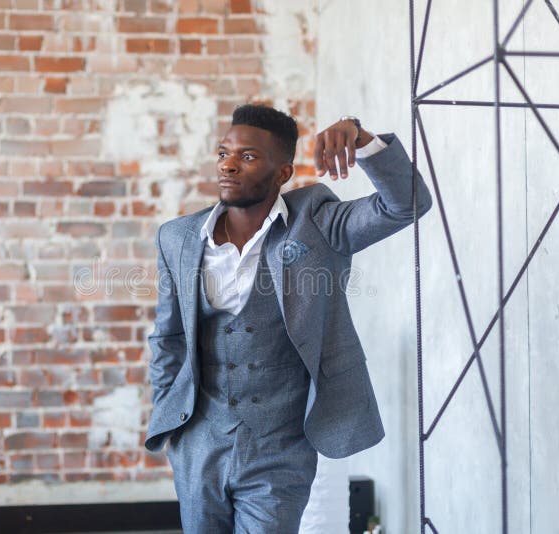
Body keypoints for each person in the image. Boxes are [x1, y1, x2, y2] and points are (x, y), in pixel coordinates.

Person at [143, 104, 433, 532]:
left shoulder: (316, 224)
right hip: (198, 444)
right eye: (224, 152)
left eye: (247, 157)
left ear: (282, 173)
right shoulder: (178, 238)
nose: (228, 165)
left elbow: (406, 205)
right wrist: (172, 419)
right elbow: (168, 337)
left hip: (280, 448)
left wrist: (361, 137)